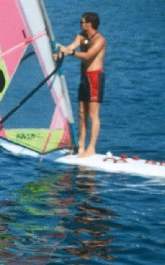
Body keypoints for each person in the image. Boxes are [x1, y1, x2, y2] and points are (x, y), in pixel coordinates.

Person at [58, 12, 106, 158]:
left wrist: (70, 52)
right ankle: (80, 146)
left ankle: (91, 148)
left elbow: (88, 55)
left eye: (82, 21)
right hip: (84, 78)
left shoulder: (100, 40)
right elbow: (71, 46)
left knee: (93, 114)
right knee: (81, 113)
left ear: (89, 24)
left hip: (95, 78)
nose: (80, 23)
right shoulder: (81, 37)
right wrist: (60, 54)